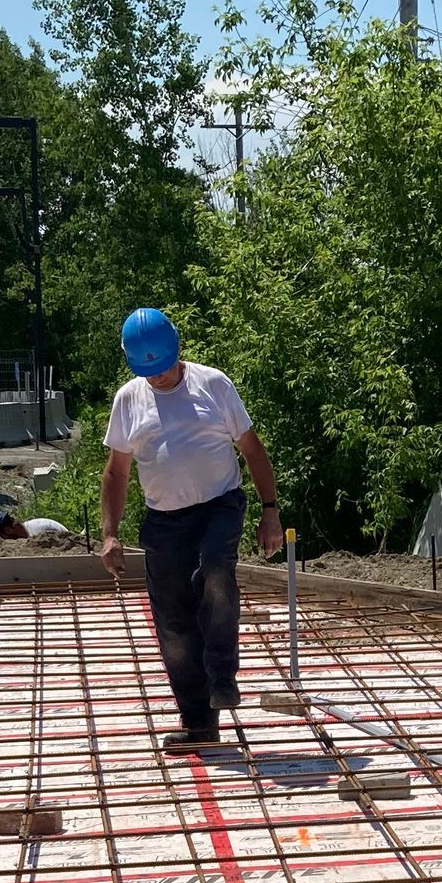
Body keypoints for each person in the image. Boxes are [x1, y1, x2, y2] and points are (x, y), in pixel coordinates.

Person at [99, 308, 284, 749]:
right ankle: (199, 724)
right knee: (175, 624)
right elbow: (116, 473)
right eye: (149, 371)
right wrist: (109, 533)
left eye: (163, 367)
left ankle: (222, 676)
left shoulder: (214, 385)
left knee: (216, 570)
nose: (158, 377)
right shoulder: (129, 399)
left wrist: (271, 510)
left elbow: (254, 452)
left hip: (219, 505)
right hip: (163, 522)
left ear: (176, 352)